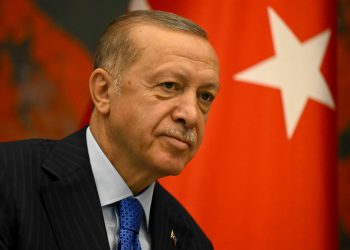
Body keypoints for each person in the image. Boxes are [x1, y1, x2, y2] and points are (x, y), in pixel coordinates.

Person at [0, 10, 220, 250]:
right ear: (104, 91)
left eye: (205, 96)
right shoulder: (8, 179)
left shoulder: (192, 242)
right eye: (169, 85)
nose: (191, 114)